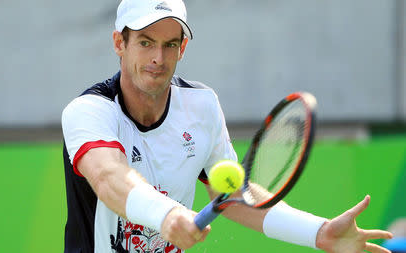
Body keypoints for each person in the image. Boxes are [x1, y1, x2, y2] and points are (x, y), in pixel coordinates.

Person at [61, 0, 393, 252]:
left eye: (169, 45)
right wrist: (168, 216)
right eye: (145, 42)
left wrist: (320, 232)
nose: (158, 59)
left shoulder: (201, 106)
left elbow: (231, 195)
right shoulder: (89, 112)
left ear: (183, 48)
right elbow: (110, 178)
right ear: (120, 43)